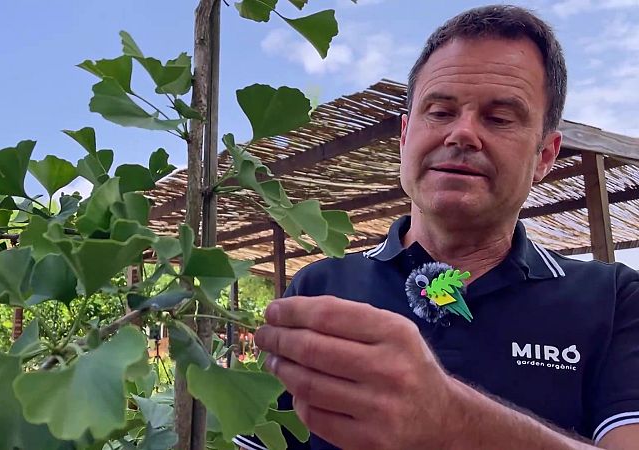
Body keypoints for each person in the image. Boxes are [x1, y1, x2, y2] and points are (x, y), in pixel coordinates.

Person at [234, 4, 639, 450]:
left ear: (545, 154)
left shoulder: (615, 300)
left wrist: (453, 420)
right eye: (440, 111)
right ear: (405, 135)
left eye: (499, 118)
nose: (462, 134)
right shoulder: (321, 287)